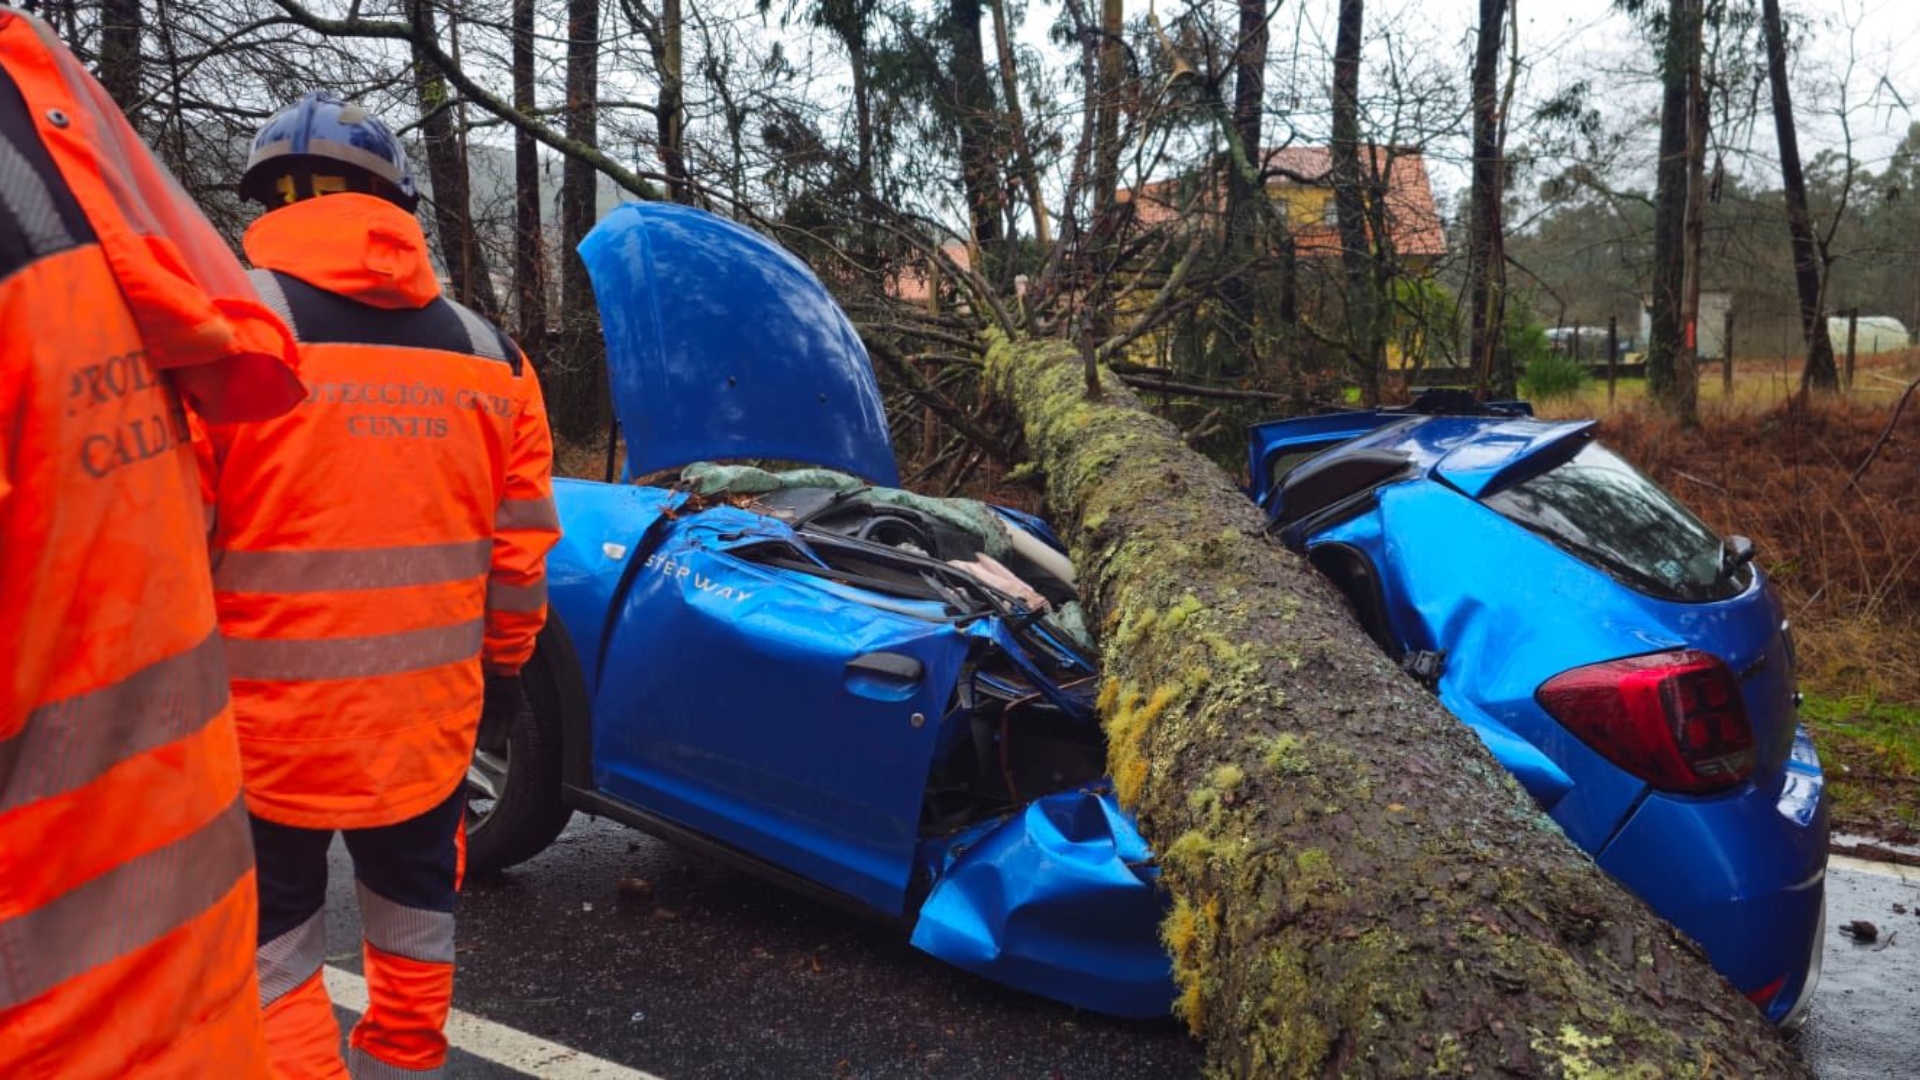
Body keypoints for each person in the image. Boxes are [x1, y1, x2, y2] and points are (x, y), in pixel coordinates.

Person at [198, 91, 559, 1078]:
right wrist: (506, 674)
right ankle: (406, 1064)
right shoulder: (494, 358)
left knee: (274, 950)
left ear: (266, 203)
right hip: (427, 725)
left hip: (259, 732)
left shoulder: (222, 331)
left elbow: (162, 543)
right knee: (414, 923)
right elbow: (520, 551)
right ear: (397, 205)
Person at [0, 7, 306, 1076]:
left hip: (253, 755)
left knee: (300, 939)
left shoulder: (178, 293)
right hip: (189, 938)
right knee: (401, 925)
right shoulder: (148, 267)